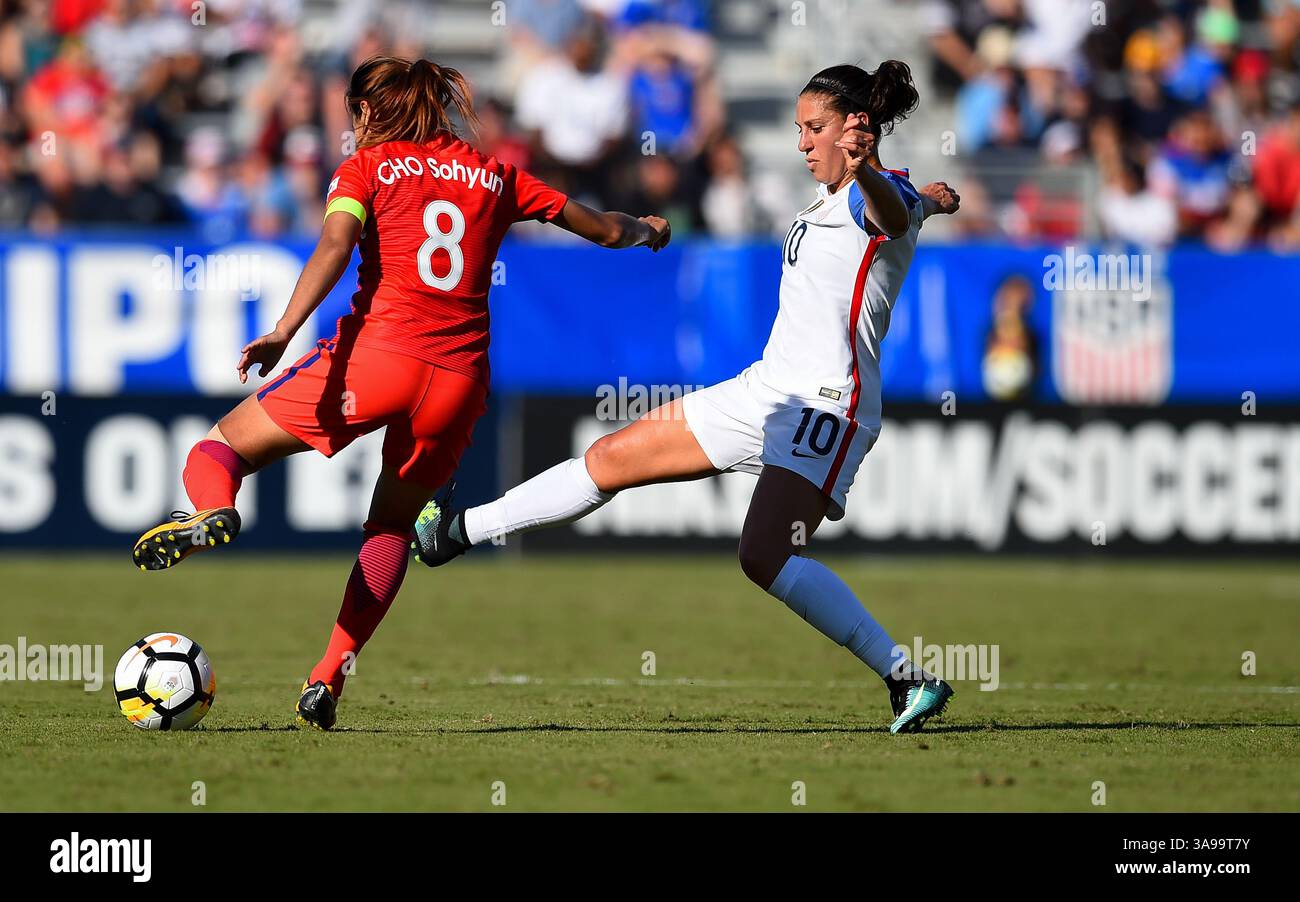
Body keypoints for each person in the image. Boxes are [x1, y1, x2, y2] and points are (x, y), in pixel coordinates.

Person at [414, 62, 963, 734]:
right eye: (797, 129)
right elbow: (907, 207)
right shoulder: (862, 194)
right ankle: (455, 531)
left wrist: (886, 179)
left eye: (813, 128)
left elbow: (883, 211)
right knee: (612, 456)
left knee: (765, 555)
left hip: (824, 406)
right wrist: (932, 198)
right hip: (764, 390)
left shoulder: (870, 194)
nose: (800, 143)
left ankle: (907, 676)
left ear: (858, 130)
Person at [130, 56, 671, 731]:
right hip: (457, 381)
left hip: (375, 360)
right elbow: (604, 229)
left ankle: (214, 512)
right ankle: (326, 678)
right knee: (391, 527)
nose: (349, 127)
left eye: (353, 113)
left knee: (220, 450)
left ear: (370, 111)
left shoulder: (367, 169)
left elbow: (334, 243)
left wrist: (282, 329)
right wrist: (649, 229)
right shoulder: (496, 174)